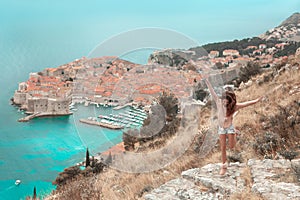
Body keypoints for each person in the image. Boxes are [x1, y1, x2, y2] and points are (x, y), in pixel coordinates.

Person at [204, 77, 262, 175]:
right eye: (223, 101)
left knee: (231, 147)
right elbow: (213, 93)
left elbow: (246, 104)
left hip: (230, 128)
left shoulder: (234, 107)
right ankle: (223, 166)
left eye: (226, 101)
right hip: (221, 129)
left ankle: (234, 133)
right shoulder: (218, 103)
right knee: (222, 147)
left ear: (229, 101)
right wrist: (207, 82)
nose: (224, 103)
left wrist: (256, 101)